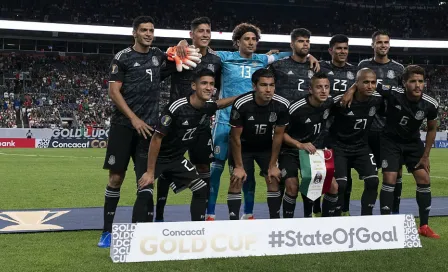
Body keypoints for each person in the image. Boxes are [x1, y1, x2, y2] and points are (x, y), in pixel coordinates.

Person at [207, 23, 320, 220]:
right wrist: (183, 42)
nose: (251, 43)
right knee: (216, 171)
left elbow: (287, 53)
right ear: (237, 42)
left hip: (249, 126)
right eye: (246, 39)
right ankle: (210, 214)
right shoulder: (225, 57)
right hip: (225, 122)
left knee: (247, 174)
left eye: (254, 39)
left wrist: (309, 55)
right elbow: (205, 50)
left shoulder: (262, 59)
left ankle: (248, 213)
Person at [98, 16, 190, 248]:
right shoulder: (123, 57)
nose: (149, 34)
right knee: (116, 178)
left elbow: (183, 52)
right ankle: (107, 231)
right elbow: (114, 92)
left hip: (149, 128)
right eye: (144, 30)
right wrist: (134, 118)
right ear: (135, 33)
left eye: (151, 30)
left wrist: (182, 42)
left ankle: (138, 232)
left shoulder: (159, 56)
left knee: (146, 180)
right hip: (123, 127)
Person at [343, 65, 440, 238]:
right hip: (390, 141)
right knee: (390, 178)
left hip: (412, 143)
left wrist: (425, 155)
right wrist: (351, 90)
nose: (417, 85)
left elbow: (432, 129)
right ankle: (385, 224)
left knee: (424, 178)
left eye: (421, 81)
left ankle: (424, 226)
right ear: (404, 83)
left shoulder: (430, 104)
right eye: (413, 81)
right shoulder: (393, 92)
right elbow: (367, 83)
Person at [138, 68, 236, 221]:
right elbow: (156, 139)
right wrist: (150, 172)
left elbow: (219, 104)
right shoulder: (177, 107)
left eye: (211, 84)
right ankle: (135, 235)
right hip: (154, 157)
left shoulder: (206, 106)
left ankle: (197, 231)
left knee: (201, 188)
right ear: (193, 86)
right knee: (145, 191)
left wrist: (239, 97)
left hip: (176, 159)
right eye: (204, 83)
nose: (209, 87)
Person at [155, 17, 222, 222]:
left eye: (208, 31)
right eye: (200, 31)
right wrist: (178, 47)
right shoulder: (181, 52)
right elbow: (159, 74)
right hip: (176, 124)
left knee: (204, 167)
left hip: (201, 124)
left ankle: (202, 217)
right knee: (166, 169)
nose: (205, 34)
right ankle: (159, 215)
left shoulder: (216, 60)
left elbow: (216, 88)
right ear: (191, 34)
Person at [268, 28, 323, 217]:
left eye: (307, 41)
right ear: (292, 44)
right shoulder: (278, 66)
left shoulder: (315, 67)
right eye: (300, 41)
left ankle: (308, 218)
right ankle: (280, 220)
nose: (305, 44)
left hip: (308, 131)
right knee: (284, 182)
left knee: (311, 179)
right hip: (283, 129)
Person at [227, 68, 289, 219]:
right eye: (263, 85)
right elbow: (235, 137)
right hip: (242, 147)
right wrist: (239, 167)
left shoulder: (282, 105)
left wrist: (273, 165)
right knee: (237, 179)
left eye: (271, 85)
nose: (268, 90)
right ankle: (233, 222)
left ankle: (274, 222)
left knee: (273, 178)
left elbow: (278, 136)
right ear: (254, 86)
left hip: (265, 147)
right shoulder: (242, 104)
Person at [356, 30, 405, 215]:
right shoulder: (364, 65)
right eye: (379, 42)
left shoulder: (399, 69)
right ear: (373, 45)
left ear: (389, 45)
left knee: (395, 173)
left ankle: (394, 213)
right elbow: (356, 87)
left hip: (391, 130)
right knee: (370, 176)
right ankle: (363, 214)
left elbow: (402, 97)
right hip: (368, 129)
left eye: (386, 42)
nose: (383, 45)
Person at [279, 72, 339, 218]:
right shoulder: (296, 108)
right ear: (310, 90)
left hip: (314, 151)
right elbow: (280, 134)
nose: (323, 90)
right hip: (290, 151)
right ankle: (288, 225)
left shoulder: (328, 103)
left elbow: (345, 97)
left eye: (326, 87)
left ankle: (323, 223)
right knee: (292, 187)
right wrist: (299, 144)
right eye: (319, 87)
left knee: (333, 186)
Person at [330, 68, 382, 216]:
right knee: (341, 184)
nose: (370, 86)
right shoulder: (341, 100)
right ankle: (336, 217)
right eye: (365, 82)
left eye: (373, 82)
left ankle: (366, 218)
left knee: (373, 181)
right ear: (357, 83)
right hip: (339, 147)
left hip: (361, 148)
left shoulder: (378, 99)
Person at [319, 34, 358, 216]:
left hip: (347, 129)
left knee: (345, 175)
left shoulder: (355, 71)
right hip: (324, 127)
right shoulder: (321, 67)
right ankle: (317, 209)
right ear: (330, 50)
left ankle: (344, 209)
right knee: (322, 172)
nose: (343, 51)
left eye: (345, 48)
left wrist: (351, 90)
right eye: (339, 48)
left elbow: (362, 83)